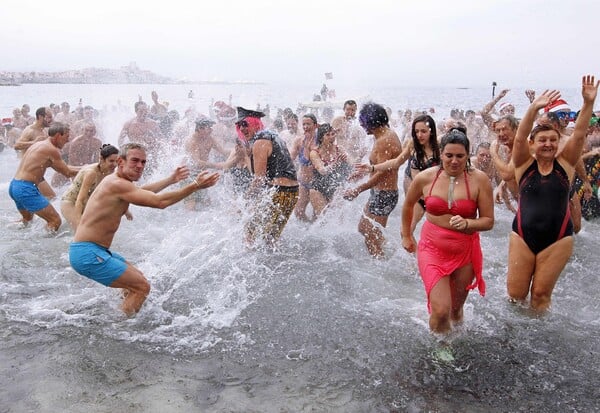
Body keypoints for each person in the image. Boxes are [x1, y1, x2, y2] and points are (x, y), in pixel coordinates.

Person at [69, 143, 220, 316]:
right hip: (88, 253)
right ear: (120, 161)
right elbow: (159, 202)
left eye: (143, 162)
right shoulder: (117, 184)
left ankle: (124, 311)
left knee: (136, 280)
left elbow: (141, 191)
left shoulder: (117, 182)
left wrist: (171, 180)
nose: (140, 166)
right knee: (141, 287)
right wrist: (194, 186)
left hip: (92, 250)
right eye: (134, 160)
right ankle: (123, 329)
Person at [506, 75, 598, 312]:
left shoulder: (565, 165)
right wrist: (534, 107)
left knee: (540, 295)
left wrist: (588, 104)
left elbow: (578, 135)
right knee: (516, 295)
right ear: (533, 144)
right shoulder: (523, 164)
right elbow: (518, 138)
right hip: (523, 236)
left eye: (552, 140)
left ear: (558, 143)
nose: (548, 144)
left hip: (558, 238)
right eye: (542, 140)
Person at [401, 128, 494, 334]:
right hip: (432, 248)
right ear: (440, 154)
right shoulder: (425, 178)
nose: (454, 161)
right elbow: (408, 205)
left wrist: (469, 224)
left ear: (468, 155)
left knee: (455, 310)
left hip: (465, 251)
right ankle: (441, 348)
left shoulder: (480, 180)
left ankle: (457, 336)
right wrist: (406, 235)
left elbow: (488, 221)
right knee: (441, 311)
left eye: (460, 156)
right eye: (449, 155)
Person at [343, 103, 402, 258]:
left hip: (385, 194)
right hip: (379, 192)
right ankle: (388, 252)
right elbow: (378, 166)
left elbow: (383, 173)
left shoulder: (385, 141)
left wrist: (358, 189)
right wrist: (363, 173)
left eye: (364, 122)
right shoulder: (382, 136)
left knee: (371, 237)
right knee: (363, 228)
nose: (362, 125)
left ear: (373, 122)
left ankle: (381, 267)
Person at [236, 107, 298, 246]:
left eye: (245, 124)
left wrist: (242, 201)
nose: (242, 128)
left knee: (249, 233)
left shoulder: (260, 142)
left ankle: (248, 264)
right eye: (239, 125)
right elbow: (259, 173)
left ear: (254, 123)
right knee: (270, 239)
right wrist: (246, 154)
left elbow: (259, 179)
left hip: (279, 193)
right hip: (291, 193)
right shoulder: (271, 135)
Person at [8, 122, 81, 232]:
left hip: (15, 186)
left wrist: (86, 167)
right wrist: (92, 168)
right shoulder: (51, 150)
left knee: (27, 221)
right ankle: (40, 248)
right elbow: (67, 172)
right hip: (25, 189)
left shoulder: (40, 145)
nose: (68, 140)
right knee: (55, 221)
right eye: (67, 136)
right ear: (58, 135)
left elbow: (64, 167)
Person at [60, 144, 122, 231]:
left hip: (87, 203)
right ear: (102, 159)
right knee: (81, 231)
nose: (115, 164)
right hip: (71, 202)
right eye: (111, 161)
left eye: (117, 161)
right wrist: (78, 222)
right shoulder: (91, 173)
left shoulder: (109, 172)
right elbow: (80, 199)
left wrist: (125, 211)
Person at [308, 123, 351, 217]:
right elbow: (322, 170)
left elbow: (352, 166)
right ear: (321, 138)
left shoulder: (339, 149)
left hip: (336, 186)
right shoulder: (314, 152)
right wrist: (336, 163)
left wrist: (349, 159)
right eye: (327, 135)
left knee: (338, 219)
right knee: (323, 220)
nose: (331, 137)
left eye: (333, 134)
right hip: (318, 187)